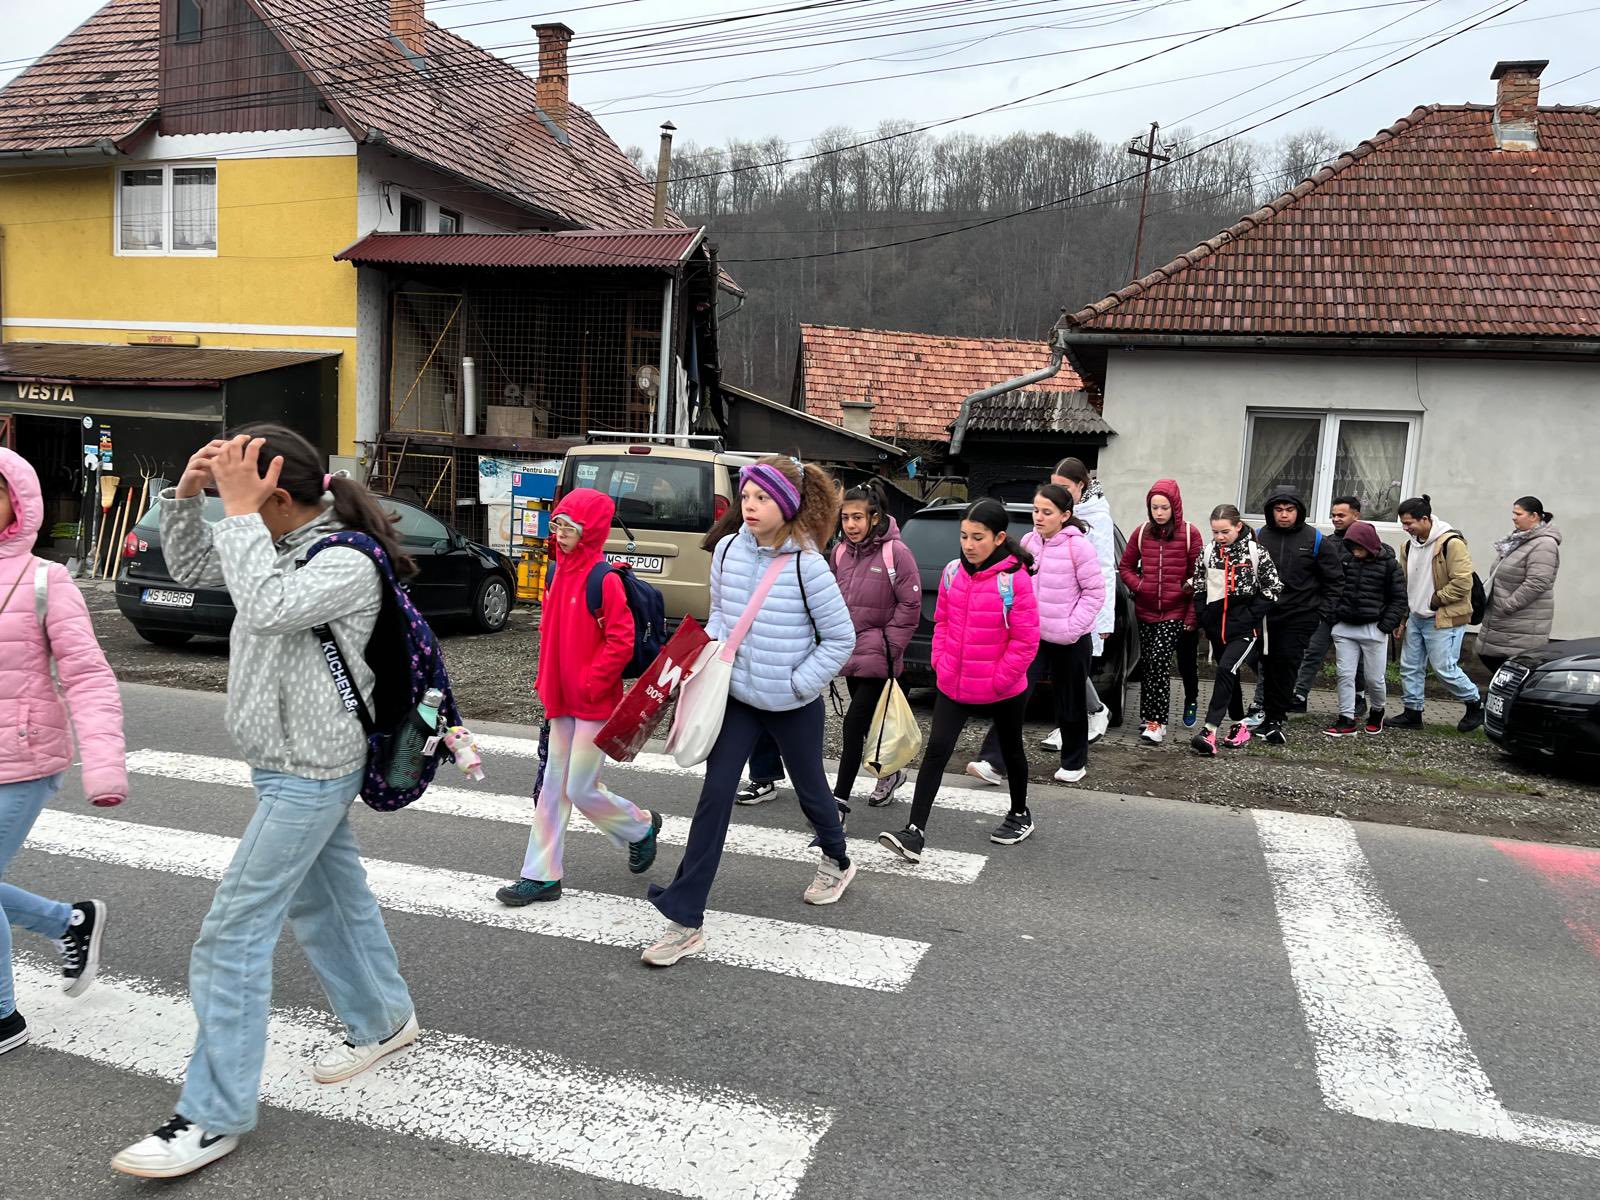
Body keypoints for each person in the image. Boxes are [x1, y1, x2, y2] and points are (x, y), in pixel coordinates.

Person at [114, 428, 419, 1178]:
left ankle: (211, 1115)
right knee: (328, 901)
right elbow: (189, 569)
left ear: (278, 496)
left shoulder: (346, 559)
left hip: (312, 771)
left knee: (230, 936)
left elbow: (270, 605)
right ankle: (384, 1019)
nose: (228, 507)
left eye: (240, 496)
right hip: (281, 763)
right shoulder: (271, 543)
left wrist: (241, 516)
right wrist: (185, 498)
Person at [642, 457, 855, 968]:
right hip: (736, 698)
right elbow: (721, 614)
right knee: (715, 798)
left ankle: (837, 857)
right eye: (746, 497)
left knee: (812, 792)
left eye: (761, 498)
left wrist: (795, 682)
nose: (750, 507)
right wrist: (709, 654)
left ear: (786, 503)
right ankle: (684, 919)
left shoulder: (809, 564)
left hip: (791, 704)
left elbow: (840, 639)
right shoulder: (730, 550)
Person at [0, 448, 124, 1059]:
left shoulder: (47, 579)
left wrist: (103, 763)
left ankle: (2, 1017)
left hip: (22, 761)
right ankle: (68, 922)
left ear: (17, 504)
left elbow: (88, 676)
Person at [495, 489, 661, 906]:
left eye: (569, 527)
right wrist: (545, 681)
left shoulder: (603, 579)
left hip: (594, 703)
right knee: (553, 787)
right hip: (560, 699)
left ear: (591, 532)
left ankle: (640, 827)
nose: (560, 533)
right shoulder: (554, 573)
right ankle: (541, 876)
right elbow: (547, 632)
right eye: (557, 524)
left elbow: (621, 642)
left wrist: (591, 682)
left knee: (581, 788)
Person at [879, 500, 1040, 863]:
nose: (968, 544)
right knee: (936, 751)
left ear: (999, 538)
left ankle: (1019, 813)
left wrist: (1001, 678)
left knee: (1011, 749)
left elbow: (1026, 639)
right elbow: (944, 622)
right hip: (956, 680)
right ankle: (914, 832)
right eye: (964, 536)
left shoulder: (1014, 579)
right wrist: (941, 662)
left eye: (978, 537)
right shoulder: (954, 572)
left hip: (1002, 686)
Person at [968, 485, 1101, 784]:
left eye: (1047, 512)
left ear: (1065, 515)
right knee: (1013, 694)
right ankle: (993, 761)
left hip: (1070, 639)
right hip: (1032, 637)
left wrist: (1071, 628)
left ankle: (1074, 762)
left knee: (1070, 702)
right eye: (1036, 510)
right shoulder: (1029, 541)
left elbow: (1095, 593)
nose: (1038, 517)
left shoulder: (1078, 547)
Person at [829, 481, 921, 808]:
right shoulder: (839, 552)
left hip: (879, 658)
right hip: (849, 654)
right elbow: (831, 600)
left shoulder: (896, 553)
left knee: (853, 725)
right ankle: (890, 773)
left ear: (876, 516)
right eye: (845, 518)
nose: (851, 525)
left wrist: (887, 646)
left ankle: (838, 800)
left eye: (858, 517)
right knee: (868, 723)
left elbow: (910, 605)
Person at [1249, 486, 1344, 748]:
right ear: (1270, 511)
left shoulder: (1315, 539)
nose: (1284, 515)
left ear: (1298, 511)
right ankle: (1266, 714)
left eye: (1289, 510)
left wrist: (1321, 613)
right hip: (1265, 616)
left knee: (1286, 667)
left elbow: (1334, 580)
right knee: (1263, 665)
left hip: (1300, 616)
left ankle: (1276, 719)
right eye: (1278, 510)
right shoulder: (1258, 537)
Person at [1189, 505, 1283, 756]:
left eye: (1225, 532)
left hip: (1245, 630)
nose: (1220, 537)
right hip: (1215, 628)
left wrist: (1251, 617)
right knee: (1229, 678)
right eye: (1215, 532)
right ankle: (1240, 725)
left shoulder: (1256, 552)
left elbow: (1273, 587)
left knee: (1225, 669)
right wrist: (1204, 617)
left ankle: (1209, 730)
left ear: (1238, 526)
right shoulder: (1207, 552)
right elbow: (1199, 586)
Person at [1117, 478, 1203, 744]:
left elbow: (1198, 577)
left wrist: (1191, 616)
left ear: (1174, 506)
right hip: (1146, 610)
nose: (1159, 512)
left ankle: (1158, 721)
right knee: (1147, 665)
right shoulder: (1141, 532)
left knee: (1159, 661)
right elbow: (1126, 567)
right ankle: (1147, 716)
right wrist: (1140, 585)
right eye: (1154, 507)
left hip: (1175, 611)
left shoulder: (1191, 534)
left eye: (1164, 507)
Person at [1391, 495, 1484, 733]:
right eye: (1403, 523)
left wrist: (1435, 600)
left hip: (1442, 618)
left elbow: (1463, 582)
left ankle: (1476, 705)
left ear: (1425, 519)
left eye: (1409, 523)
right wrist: (1402, 617)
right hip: (1416, 618)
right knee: (1410, 667)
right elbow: (1405, 585)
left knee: (1444, 668)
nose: (1405, 528)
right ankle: (1412, 713)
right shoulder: (1408, 546)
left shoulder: (1451, 543)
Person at [1052, 458, 1116, 743]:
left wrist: (1104, 618)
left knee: (1074, 668)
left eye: (1065, 488)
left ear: (1081, 485)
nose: (1060, 494)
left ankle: (1081, 721)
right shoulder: (1061, 512)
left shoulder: (1098, 517)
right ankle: (1091, 712)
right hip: (1057, 602)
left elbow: (1104, 570)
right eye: (1055, 487)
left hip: (1082, 606)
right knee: (1064, 668)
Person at [1323, 520, 1406, 737]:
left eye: (1358, 547)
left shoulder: (1390, 566)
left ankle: (1377, 711)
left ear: (1369, 544)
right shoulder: (1346, 562)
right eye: (1351, 547)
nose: (1355, 552)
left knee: (1374, 679)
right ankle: (1346, 718)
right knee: (1344, 675)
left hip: (1374, 629)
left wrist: (1385, 626)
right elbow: (1333, 589)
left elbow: (1399, 599)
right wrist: (1334, 618)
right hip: (1344, 628)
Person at [1289, 495, 1368, 708]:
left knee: (1354, 661)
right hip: (1326, 610)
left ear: (1356, 515)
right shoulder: (1326, 543)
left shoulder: (1369, 544)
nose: (1336, 519)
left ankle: (1358, 698)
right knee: (1312, 652)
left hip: (1354, 612)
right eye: (1333, 515)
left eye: (1341, 515)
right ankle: (1299, 695)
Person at [1476, 496, 1561, 677]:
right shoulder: (1518, 541)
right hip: (1501, 621)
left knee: (1511, 672)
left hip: (1520, 623)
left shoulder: (1544, 544)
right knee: (1494, 664)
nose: (1514, 517)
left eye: (1518, 513)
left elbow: (1538, 582)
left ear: (1534, 516)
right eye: (1513, 513)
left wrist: (1508, 605)